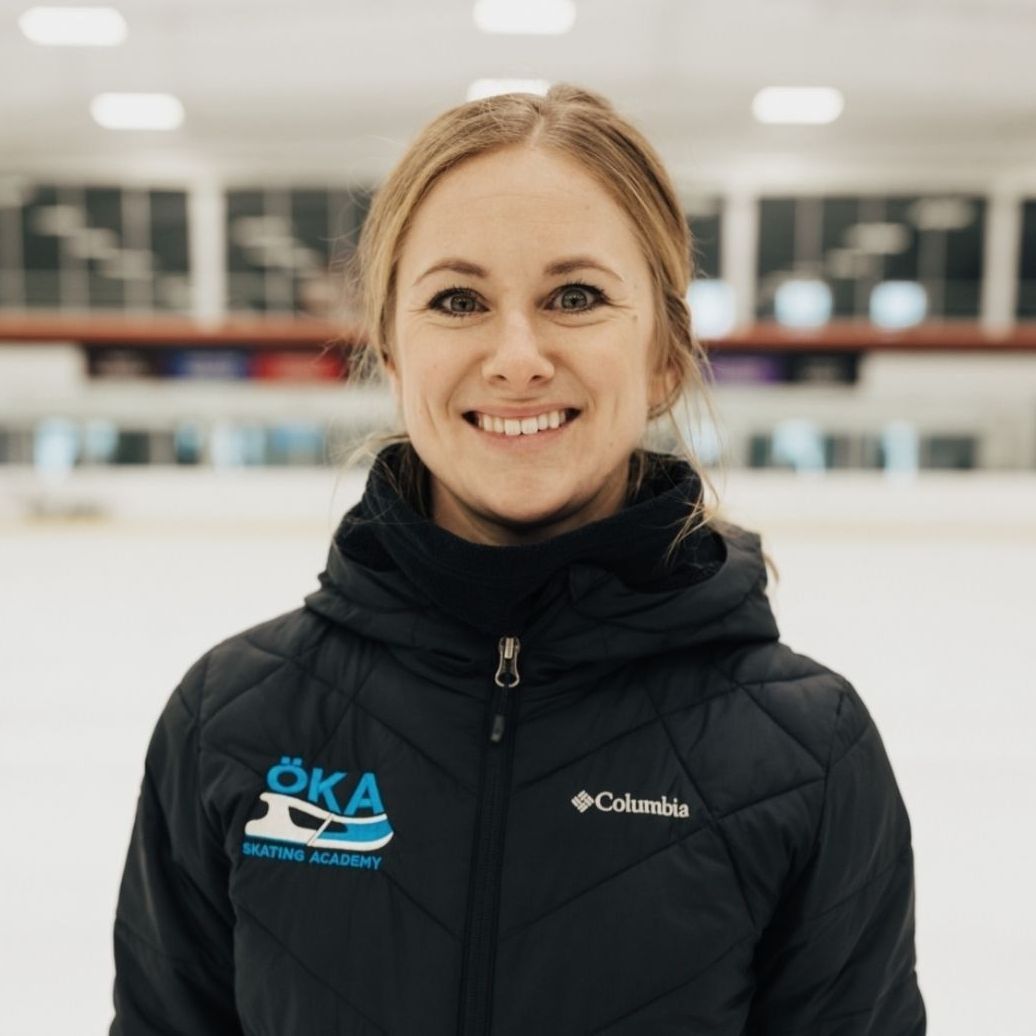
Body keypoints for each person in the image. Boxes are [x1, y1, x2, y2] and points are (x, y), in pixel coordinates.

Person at [110, 84, 925, 1034]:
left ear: (664, 353)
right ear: (390, 351)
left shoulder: (807, 754)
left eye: (574, 297)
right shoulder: (233, 721)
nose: (517, 356)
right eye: (458, 300)